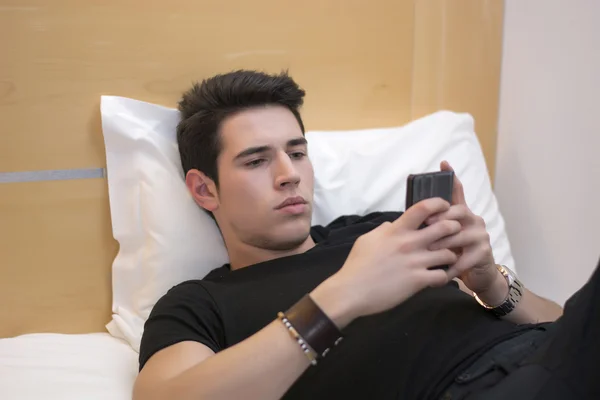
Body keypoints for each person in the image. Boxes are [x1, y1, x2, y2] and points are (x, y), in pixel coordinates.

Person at [133, 70, 599, 400]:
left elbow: (560, 327)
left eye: (297, 153)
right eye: (256, 161)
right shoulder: (199, 303)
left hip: (543, 357)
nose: (288, 174)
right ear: (204, 188)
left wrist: (492, 284)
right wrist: (343, 295)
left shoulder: (382, 229)